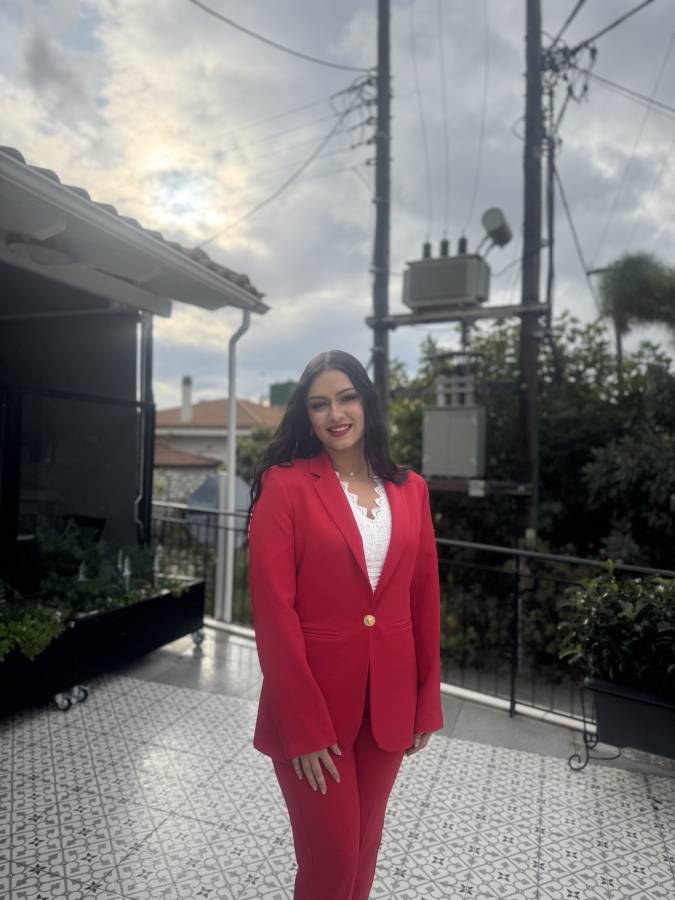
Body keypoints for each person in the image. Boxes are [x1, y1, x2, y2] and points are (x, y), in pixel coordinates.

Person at [247, 349, 443, 900]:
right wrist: (303, 726)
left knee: (361, 859)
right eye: (319, 404)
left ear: (366, 402)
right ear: (306, 415)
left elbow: (424, 597)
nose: (335, 413)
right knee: (330, 866)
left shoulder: (411, 489)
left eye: (346, 397)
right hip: (313, 711)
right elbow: (273, 613)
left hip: (389, 706)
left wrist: (427, 698)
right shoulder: (285, 486)